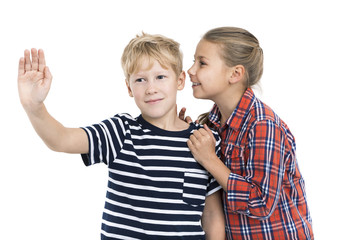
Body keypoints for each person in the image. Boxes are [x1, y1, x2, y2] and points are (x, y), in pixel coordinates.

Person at [17, 33, 226, 240]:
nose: (151, 88)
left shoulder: (204, 141)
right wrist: (34, 106)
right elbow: (61, 139)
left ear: (180, 80)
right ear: (129, 87)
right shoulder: (121, 132)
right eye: (140, 80)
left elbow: (212, 216)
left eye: (160, 77)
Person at [180, 27, 314, 239]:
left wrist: (209, 159)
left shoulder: (263, 125)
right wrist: (187, 135)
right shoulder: (213, 123)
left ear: (235, 74)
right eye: (194, 61)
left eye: (202, 63)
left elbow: (261, 203)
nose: (190, 70)